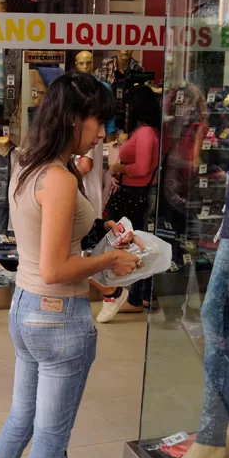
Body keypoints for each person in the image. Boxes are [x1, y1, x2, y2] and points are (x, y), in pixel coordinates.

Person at [0, 72, 139, 458]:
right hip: (58, 318)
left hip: (24, 309)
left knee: (20, 421)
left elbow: (47, 243)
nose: (101, 133)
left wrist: (100, 227)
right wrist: (110, 260)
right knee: (51, 438)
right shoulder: (60, 178)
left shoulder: (27, 163)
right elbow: (56, 268)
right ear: (73, 119)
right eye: (96, 122)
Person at [99, 85, 162, 321]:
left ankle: (135, 297)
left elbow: (142, 168)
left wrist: (119, 168)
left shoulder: (145, 133)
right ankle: (144, 295)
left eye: (128, 105)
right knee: (138, 242)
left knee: (132, 243)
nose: (126, 109)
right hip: (136, 191)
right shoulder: (147, 131)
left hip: (136, 193)